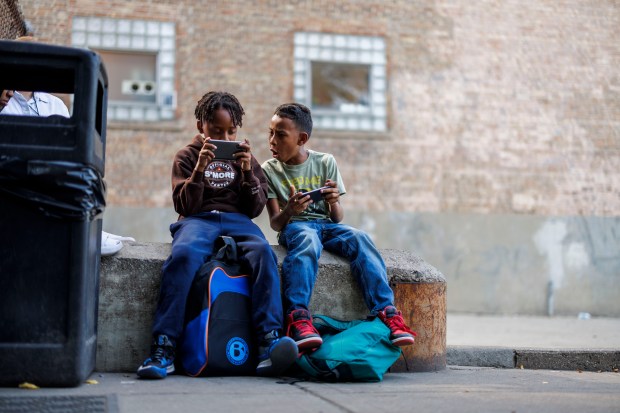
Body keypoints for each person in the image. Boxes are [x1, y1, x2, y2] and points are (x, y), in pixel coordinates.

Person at [136, 91, 297, 380]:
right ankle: (164, 347)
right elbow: (184, 205)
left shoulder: (246, 158)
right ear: (201, 126)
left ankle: (268, 342)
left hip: (237, 221)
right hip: (197, 220)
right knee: (183, 257)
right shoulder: (186, 155)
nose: (224, 136)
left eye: (231, 131)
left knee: (263, 253)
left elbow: (255, 209)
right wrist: (199, 170)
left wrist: (248, 174)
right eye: (216, 130)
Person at [261, 102, 417, 352]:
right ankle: (298, 317)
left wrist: (334, 201)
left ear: (302, 138)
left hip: (326, 225)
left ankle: (387, 312)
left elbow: (337, 218)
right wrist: (290, 210)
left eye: (280, 135)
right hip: (296, 227)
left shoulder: (325, 162)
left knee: (360, 238)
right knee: (307, 242)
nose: (272, 140)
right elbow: (275, 222)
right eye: (270, 132)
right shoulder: (268, 170)